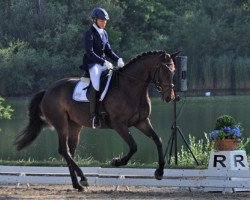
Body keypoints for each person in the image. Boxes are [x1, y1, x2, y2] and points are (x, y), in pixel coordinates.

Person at [83, 7, 125, 129]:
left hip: (103, 63)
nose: (104, 22)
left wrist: (117, 59)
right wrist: (104, 62)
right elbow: (90, 53)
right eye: (101, 20)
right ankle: (93, 116)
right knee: (96, 85)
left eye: (105, 20)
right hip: (93, 64)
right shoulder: (89, 33)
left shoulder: (104, 33)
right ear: (95, 20)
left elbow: (108, 50)